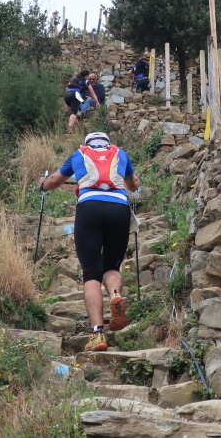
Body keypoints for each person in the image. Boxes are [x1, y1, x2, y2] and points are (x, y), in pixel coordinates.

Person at [39, 132, 141, 352]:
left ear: (88, 144)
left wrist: (43, 185)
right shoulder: (120, 154)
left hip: (89, 208)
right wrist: (134, 183)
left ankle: (97, 333)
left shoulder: (79, 154)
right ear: (107, 143)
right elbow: (132, 184)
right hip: (119, 210)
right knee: (112, 267)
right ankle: (115, 294)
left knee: (91, 273)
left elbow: (55, 181)